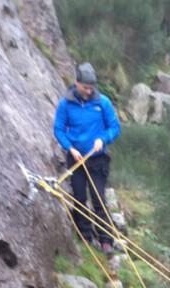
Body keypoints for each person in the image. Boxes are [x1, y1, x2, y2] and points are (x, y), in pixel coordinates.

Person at [53, 62, 121, 253]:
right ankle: (84, 236)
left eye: (91, 88)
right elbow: (58, 129)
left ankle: (106, 240)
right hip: (76, 159)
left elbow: (115, 128)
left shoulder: (102, 102)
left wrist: (103, 139)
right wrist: (70, 148)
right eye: (85, 88)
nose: (89, 91)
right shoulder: (66, 104)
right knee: (79, 197)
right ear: (76, 83)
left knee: (98, 197)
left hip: (97, 159)